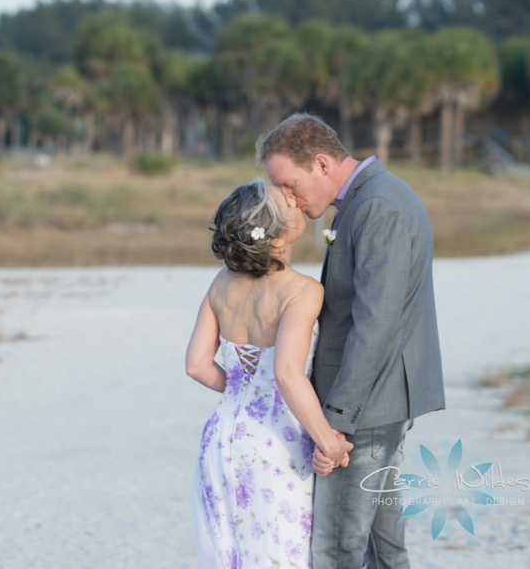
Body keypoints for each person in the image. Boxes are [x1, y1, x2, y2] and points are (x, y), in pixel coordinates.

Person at [259, 113, 445, 569]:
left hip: (365, 410)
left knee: (337, 547)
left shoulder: (378, 205)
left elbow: (374, 323)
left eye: (290, 184)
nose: (288, 198)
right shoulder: (367, 199)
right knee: (382, 550)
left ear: (321, 164)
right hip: (374, 403)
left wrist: (335, 423)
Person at [187, 179, 353, 568]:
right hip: (275, 442)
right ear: (276, 237)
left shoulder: (221, 283)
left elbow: (196, 365)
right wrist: (329, 443)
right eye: (288, 205)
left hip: (221, 435)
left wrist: (243, 392)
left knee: (231, 553)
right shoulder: (302, 290)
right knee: (282, 551)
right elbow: (287, 373)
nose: (297, 205)